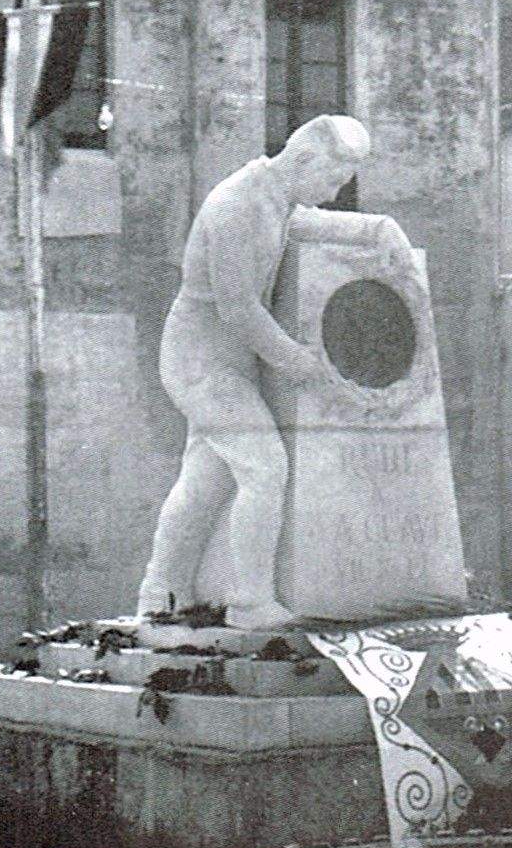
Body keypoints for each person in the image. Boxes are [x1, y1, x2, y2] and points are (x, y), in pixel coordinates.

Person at [136, 114, 383, 629]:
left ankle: (161, 594)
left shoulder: (274, 196)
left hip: (231, 364)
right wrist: (297, 362)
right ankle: (249, 602)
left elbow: (303, 222)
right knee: (264, 468)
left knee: (204, 482)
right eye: (334, 180)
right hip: (200, 360)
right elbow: (237, 307)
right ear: (305, 160)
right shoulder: (236, 204)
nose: (336, 193)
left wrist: (377, 230)